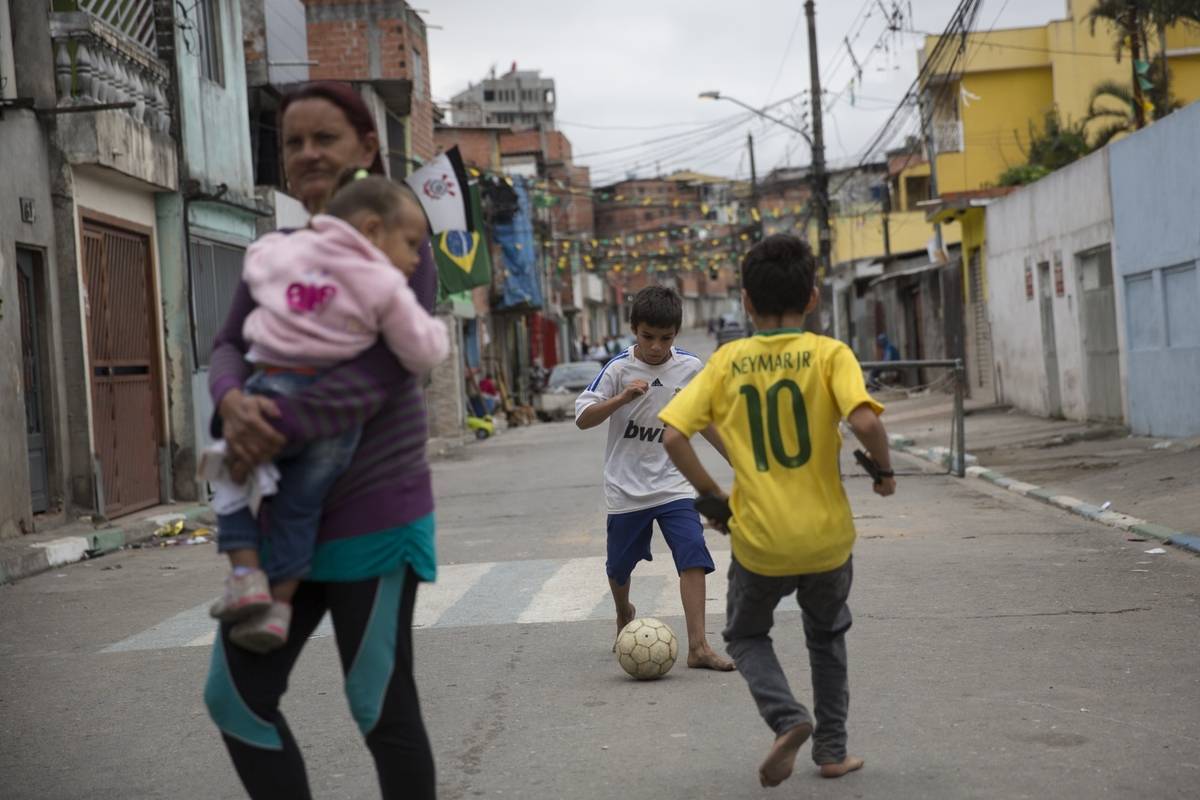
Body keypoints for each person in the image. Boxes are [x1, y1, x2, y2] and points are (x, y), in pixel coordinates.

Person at [202, 81, 439, 800]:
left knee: (380, 711)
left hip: (373, 515)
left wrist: (266, 429)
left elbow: (379, 373)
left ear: (367, 147)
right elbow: (227, 343)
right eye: (292, 141)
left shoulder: (399, 241)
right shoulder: (275, 251)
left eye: (323, 138)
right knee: (234, 698)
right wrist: (231, 401)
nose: (305, 153)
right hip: (282, 521)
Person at [659, 235, 896, 789]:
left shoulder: (728, 362)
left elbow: (673, 435)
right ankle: (833, 751)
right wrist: (883, 473)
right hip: (826, 539)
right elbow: (864, 422)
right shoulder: (829, 354)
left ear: (745, 301)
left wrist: (713, 497)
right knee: (826, 637)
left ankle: (788, 718)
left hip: (759, 540)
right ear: (812, 297)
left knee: (744, 635)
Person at [205, 171, 449, 653]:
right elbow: (420, 350)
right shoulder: (381, 280)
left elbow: (253, 272)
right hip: (330, 421)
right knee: (299, 506)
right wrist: (434, 334)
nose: (414, 257)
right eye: (411, 243)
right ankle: (277, 608)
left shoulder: (281, 251)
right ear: (374, 231)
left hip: (263, 388)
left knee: (228, 477)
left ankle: (244, 572)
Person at [575, 285, 735, 672]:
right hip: (626, 489)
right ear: (634, 329)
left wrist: (740, 462)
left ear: (676, 334)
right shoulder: (618, 369)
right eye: (648, 337)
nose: (656, 347)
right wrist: (622, 399)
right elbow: (583, 418)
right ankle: (622, 610)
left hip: (674, 485)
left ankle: (699, 646)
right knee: (619, 568)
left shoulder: (690, 368)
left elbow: (707, 422)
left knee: (693, 552)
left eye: (665, 338)